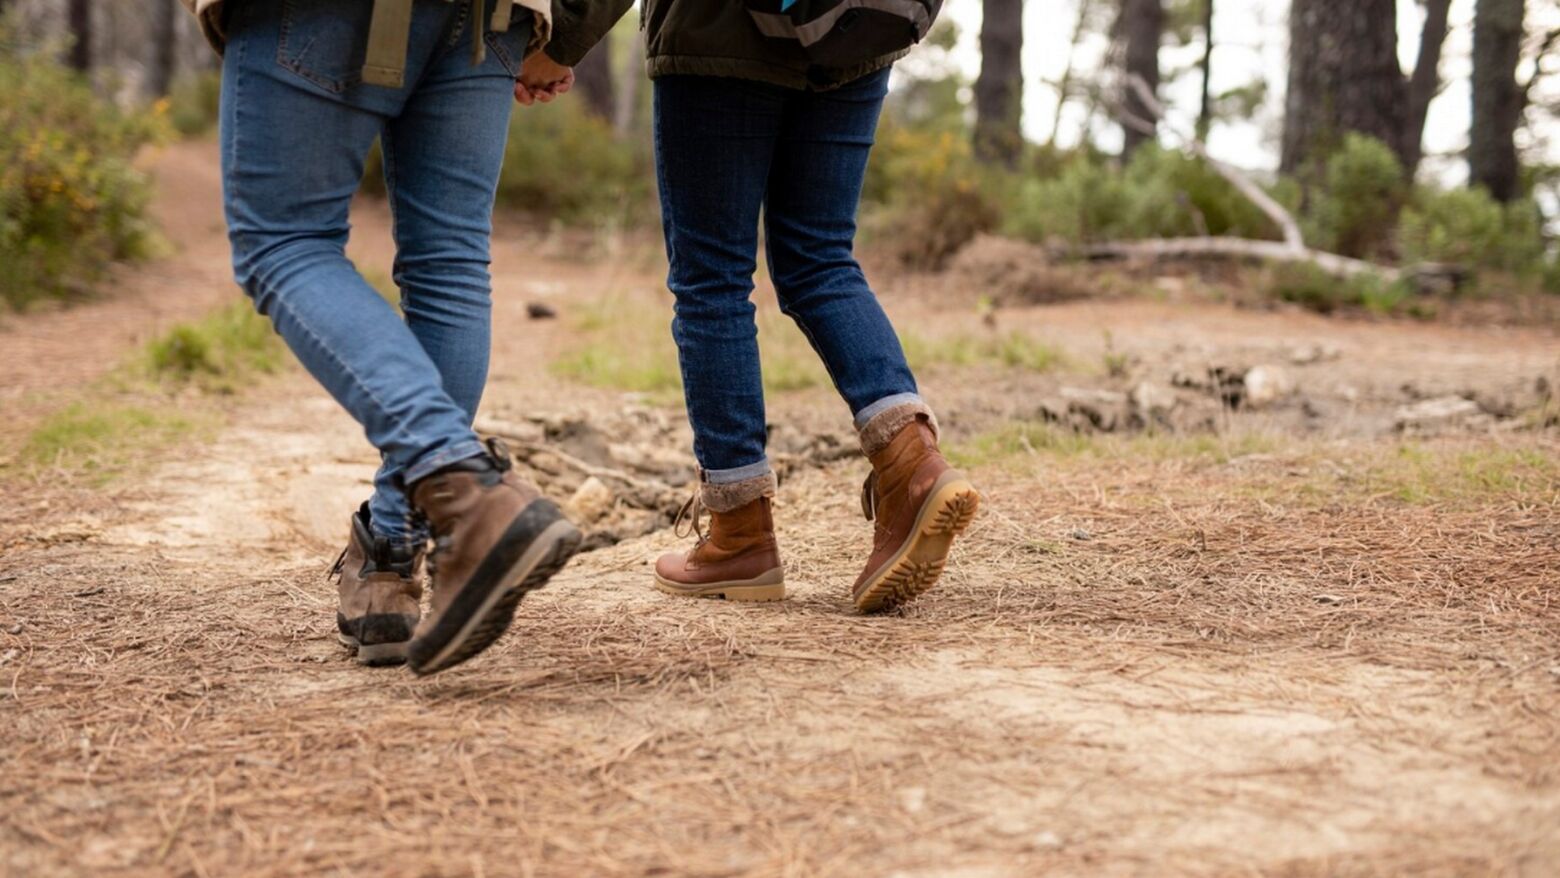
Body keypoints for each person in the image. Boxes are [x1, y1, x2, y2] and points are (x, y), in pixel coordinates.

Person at [183, 0, 630, 673]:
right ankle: (391, 557)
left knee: (283, 242)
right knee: (448, 261)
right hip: (493, 14)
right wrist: (565, 33)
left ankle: (467, 494)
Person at [644, 1, 980, 611]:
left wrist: (561, 38)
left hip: (720, 37)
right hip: (856, 28)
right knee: (821, 259)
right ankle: (912, 460)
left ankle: (739, 534)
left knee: (713, 281)